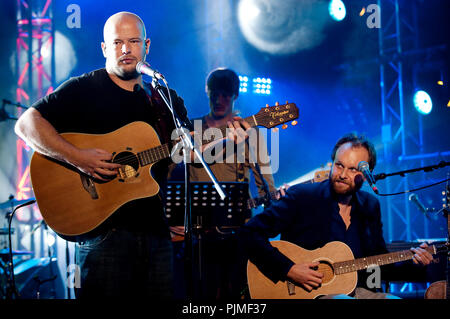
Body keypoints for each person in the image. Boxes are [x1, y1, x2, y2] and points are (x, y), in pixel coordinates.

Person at [14, 11, 195, 299]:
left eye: (134, 41)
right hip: (103, 234)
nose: (126, 49)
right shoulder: (85, 88)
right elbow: (26, 124)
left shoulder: (165, 99)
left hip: (156, 231)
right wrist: (77, 157)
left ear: (146, 45)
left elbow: (175, 160)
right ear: (104, 48)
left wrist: (221, 137)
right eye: (117, 42)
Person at [240, 133, 434, 299]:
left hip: (357, 291)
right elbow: (249, 234)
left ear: (367, 174)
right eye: (339, 165)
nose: (342, 174)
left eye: (352, 169)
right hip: (304, 293)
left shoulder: (370, 206)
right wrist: (289, 269)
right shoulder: (303, 197)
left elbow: (377, 264)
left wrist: (415, 263)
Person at [169, 68, 284, 299]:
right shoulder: (189, 129)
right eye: (215, 94)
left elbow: (267, 187)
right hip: (194, 237)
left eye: (226, 95)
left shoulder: (251, 134)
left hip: (235, 235)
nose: (219, 100)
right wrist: (168, 219)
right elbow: (168, 171)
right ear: (207, 92)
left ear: (235, 95)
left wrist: (274, 207)